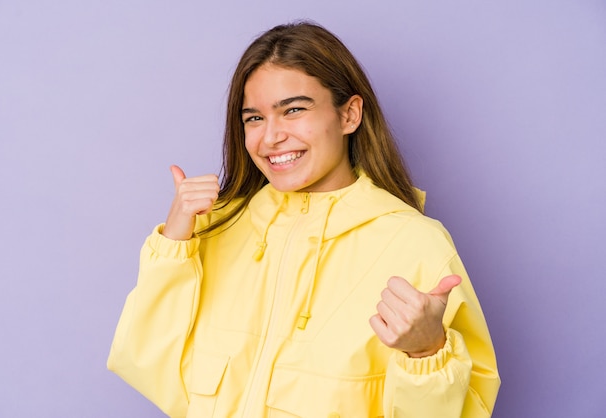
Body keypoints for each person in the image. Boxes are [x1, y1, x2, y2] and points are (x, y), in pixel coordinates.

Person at [107, 21, 500, 418]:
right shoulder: (214, 228)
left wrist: (426, 353)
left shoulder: (414, 244)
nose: (271, 137)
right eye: (253, 118)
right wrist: (174, 244)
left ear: (349, 115)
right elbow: (147, 366)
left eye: (293, 110)